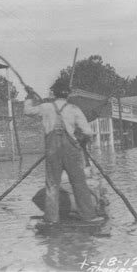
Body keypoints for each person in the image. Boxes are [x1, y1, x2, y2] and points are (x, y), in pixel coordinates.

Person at [24, 78, 104, 223]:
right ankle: (88, 216)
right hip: (71, 152)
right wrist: (82, 142)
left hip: (52, 151)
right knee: (79, 183)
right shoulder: (73, 109)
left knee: (52, 185)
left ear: (53, 93)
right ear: (68, 94)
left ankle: (51, 219)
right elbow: (88, 133)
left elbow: (27, 111)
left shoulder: (46, 107)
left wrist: (29, 97)